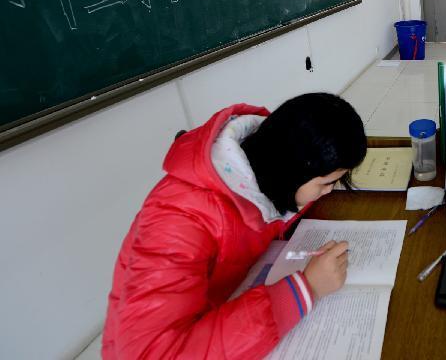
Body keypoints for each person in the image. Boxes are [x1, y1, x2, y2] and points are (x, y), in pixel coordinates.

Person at [102, 94, 368, 359]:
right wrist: (305, 289)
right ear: (291, 171)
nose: (329, 191)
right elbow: (150, 353)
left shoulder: (266, 157)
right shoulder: (178, 220)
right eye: (326, 183)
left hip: (225, 303)